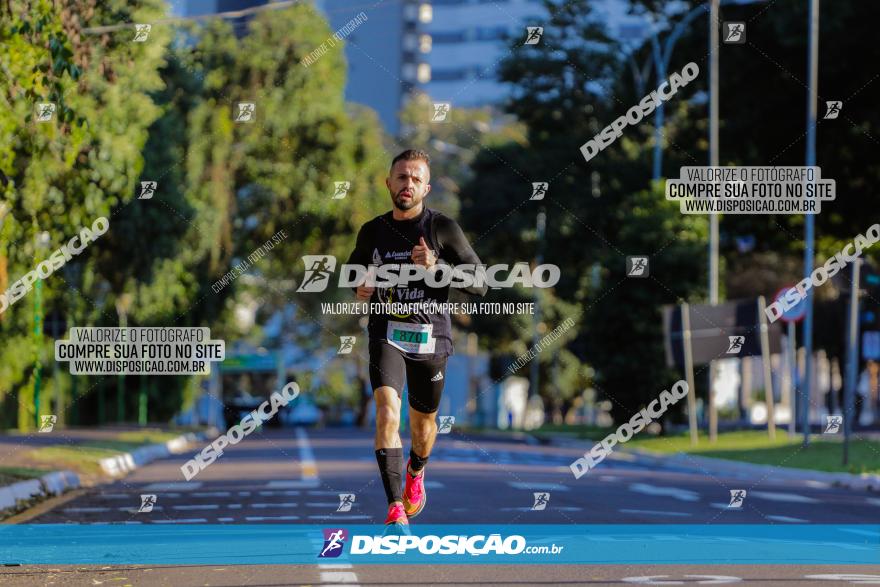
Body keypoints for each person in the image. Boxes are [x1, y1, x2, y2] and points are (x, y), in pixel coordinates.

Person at [347, 149, 487, 526]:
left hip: (430, 339)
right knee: (387, 413)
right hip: (386, 333)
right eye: (401, 177)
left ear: (425, 186)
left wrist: (437, 266)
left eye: (415, 179)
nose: (407, 184)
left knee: (424, 427)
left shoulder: (442, 228)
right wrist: (359, 284)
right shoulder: (372, 231)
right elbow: (353, 271)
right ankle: (395, 507)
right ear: (388, 182)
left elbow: (480, 283)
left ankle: (415, 470)